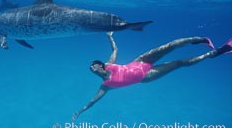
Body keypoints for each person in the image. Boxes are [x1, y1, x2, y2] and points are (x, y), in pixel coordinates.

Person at [72, 32, 232, 121]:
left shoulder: (109, 64)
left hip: (141, 60)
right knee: (179, 63)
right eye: (90, 68)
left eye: (93, 65)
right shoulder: (105, 85)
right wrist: (80, 111)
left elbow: (115, 50)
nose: (91, 68)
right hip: (146, 75)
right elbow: (93, 101)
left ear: (99, 65)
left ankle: (202, 39)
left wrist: (110, 37)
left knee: (171, 45)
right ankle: (213, 53)